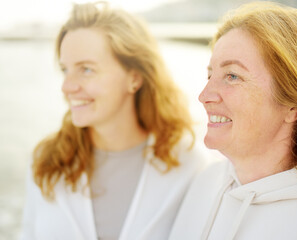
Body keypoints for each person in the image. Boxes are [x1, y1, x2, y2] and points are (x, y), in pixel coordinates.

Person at [169, 2, 297, 240]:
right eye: (210, 75)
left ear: (294, 104)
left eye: (232, 76)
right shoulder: (204, 185)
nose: (204, 96)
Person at [20, 2, 209, 240]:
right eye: (65, 70)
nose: (67, 86)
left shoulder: (189, 165)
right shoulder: (45, 161)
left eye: (86, 69)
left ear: (134, 78)